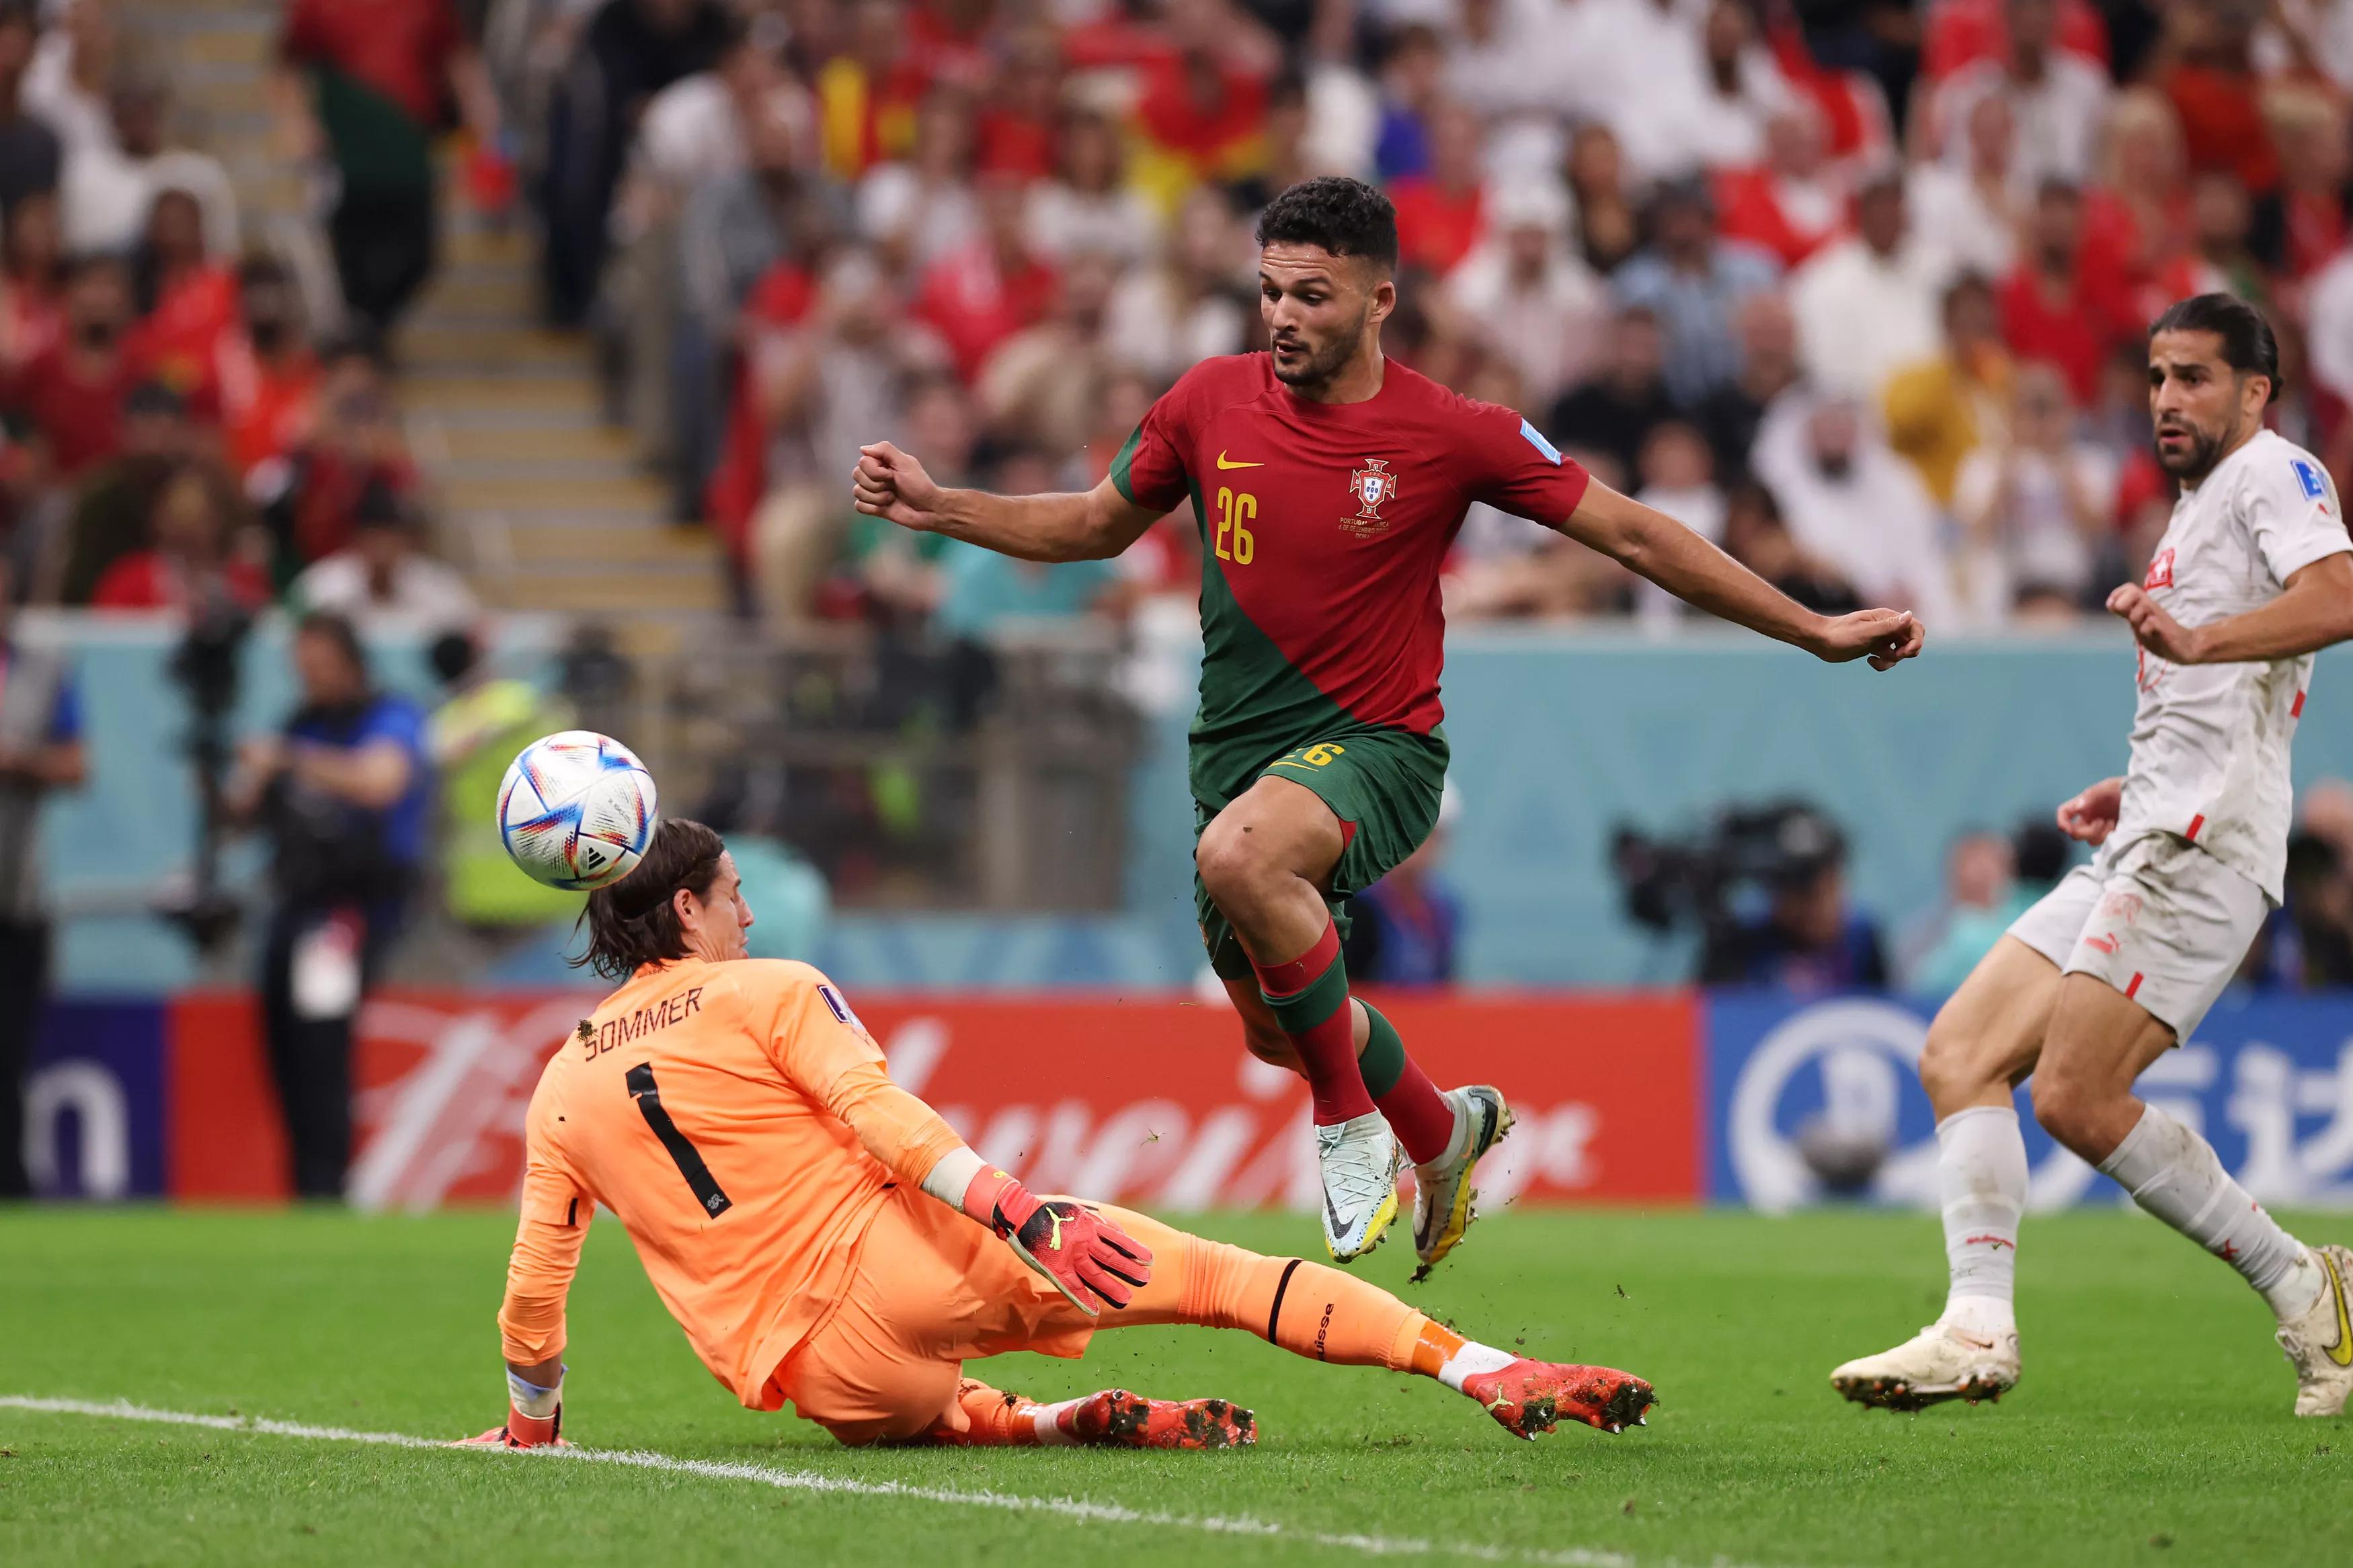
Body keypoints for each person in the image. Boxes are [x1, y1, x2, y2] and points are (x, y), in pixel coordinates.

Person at [850, 175, 1925, 1267]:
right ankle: (1440, 1128)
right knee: (1281, 1023)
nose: (1283, 316)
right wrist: (942, 507)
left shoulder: (1452, 432)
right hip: (1238, 761)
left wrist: (1813, 628)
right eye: (1270, 291)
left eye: (1312, 294)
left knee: (1244, 860)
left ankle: (1348, 1124)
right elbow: (1090, 524)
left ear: (1378, 300)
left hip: (1382, 751)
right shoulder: (1206, 401)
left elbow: (1638, 535)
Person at [459, 818, 1658, 1450]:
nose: (751, 910)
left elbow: (531, 1292)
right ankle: (1486, 1367)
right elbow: (885, 1118)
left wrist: (530, 1429)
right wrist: (1021, 1211)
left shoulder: (562, 1082)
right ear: (685, 907)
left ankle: (1047, 1420)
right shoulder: (765, 988)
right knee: (1214, 1276)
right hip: (902, 1272)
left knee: (945, 1405)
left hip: (826, 1382)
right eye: (732, 893)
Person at [1831, 294, 2353, 1419]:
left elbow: (2338, 596)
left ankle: (2308, 1283)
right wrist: (2141, 778)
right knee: (1959, 1050)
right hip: (2154, 827)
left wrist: (2204, 644)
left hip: (2205, 849)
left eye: (2197, 377)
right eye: (2159, 377)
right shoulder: (2197, 509)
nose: (2168, 399)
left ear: (2256, 390)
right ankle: (1976, 1324)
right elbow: (2229, 694)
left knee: (2073, 1094)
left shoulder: (2273, 471)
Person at [227, 612, 432, 1199]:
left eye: (319, 666)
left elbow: (380, 781)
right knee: (282, 1044)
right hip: (295, 904)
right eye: (301, 668)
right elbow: (247, 815)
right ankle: (305, 1185)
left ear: (349, 661)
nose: (309, 678)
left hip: (350, 910)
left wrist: (288, 759)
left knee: (321, 1042)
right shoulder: (302, 722)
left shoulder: (389, 716)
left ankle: (326, 1186)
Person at [0, 556, 83, 1198]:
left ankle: (12, 1182)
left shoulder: (45, 666)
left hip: (17, 891)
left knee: (11, 1049)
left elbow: (78, 765)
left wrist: (20, 759)